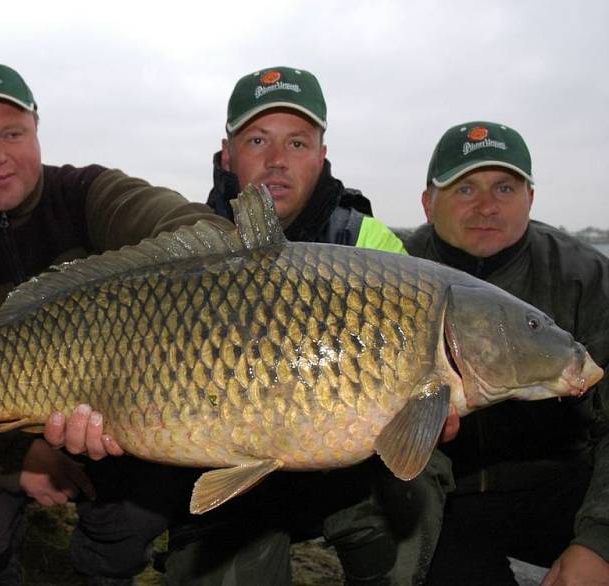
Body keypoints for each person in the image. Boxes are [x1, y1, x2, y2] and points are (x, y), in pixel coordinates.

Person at [0, 59, 232, 585]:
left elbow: (181, 223)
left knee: (144, 505)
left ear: (35, 127)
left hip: (112, 425)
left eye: (12, 133)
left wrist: (225, 251)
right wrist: (16, 460)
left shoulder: (87, 194)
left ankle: (100, 570)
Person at [159, 66, 455, 585]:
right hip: (223, 467)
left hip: (349, 473)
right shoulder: (188, 245)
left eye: (297, 142)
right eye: (257, 140)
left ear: (322, 154)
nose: (277, 161)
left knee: (419, 480)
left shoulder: (373, 246)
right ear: (227, 153)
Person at [404, 120, 609, 585]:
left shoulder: (587, 279)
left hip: (560, 488)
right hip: (441, 498)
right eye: (464, 188)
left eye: (504, 187)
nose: (487, 207)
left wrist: (600, 543)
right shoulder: (391, 273)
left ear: (531, 199)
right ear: (428, 203)